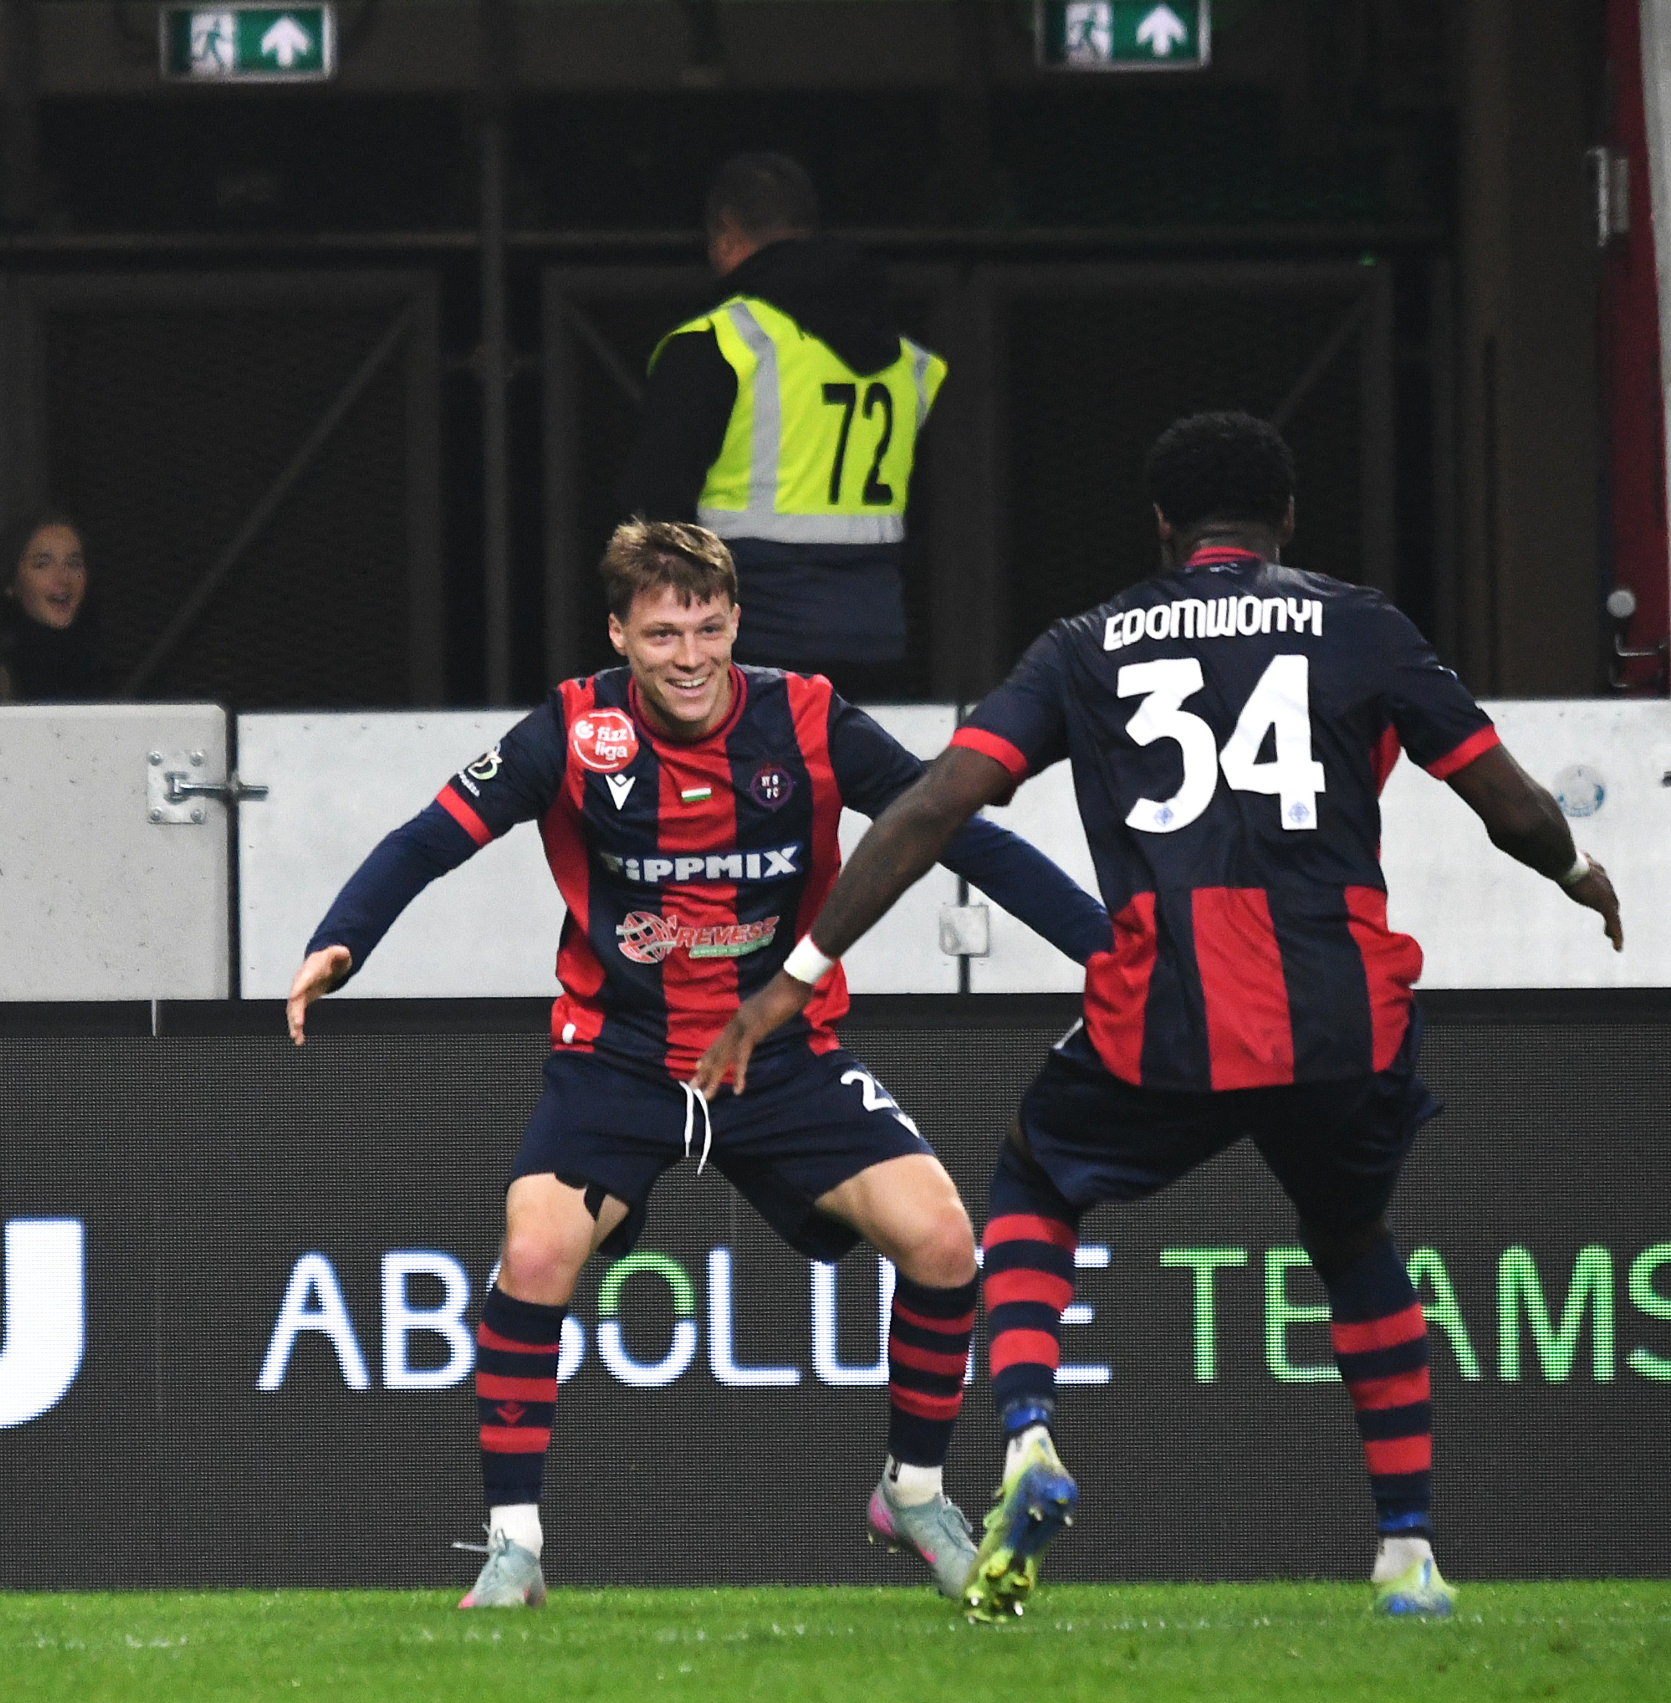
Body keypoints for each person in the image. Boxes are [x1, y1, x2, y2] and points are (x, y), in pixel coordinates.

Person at [694, 413, 1625, 1623]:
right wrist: (1578, 871)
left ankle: (1029, 1432)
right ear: (1286, 519)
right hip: (1341, 1011)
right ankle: (1408, 1554)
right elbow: (1509, 805)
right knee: (1354, 1244)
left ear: (1162, 526)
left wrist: (795, 972)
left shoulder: (1086, 642)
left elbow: (931, 808)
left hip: (1166, 1007)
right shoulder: (1363, 623)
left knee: (1033, 1181)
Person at [287, 519, 1110, 1609]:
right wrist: (342, 940)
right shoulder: (573, 729)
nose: (689, 656)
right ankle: (514, 1545)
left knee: (946, 1240)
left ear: (736, 623)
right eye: (663, 633)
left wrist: (1110, 950)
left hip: (781, 1055)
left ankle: (912, 1492)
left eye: (709, 629)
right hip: (618, 1059)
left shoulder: (809, 718)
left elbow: (959, 830)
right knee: (534, 1251)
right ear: (617, 635)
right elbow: (426, 839)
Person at [625, 152, 943, 700]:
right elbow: (931, 508)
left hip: (750, 642)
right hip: (876, 639)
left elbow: (654, 508)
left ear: (726, 230)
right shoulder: (909, 362)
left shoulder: (718, 345)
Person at [0, 509, 114, 702]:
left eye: (73, 564)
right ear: (10, 583)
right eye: (43, 564)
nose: (63, 578)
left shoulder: (100, 660)